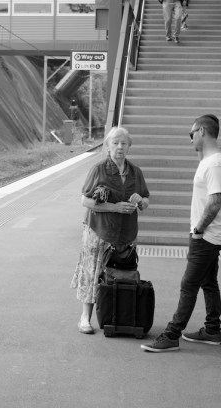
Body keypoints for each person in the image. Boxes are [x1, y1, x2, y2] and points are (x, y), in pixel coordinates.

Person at [141, 114, 221, 352]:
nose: (189, 139)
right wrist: (200, 151)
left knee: (188, 284)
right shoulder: (216, 157)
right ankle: (212, 330)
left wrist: (198, 230)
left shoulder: (214, 164)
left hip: (207, 236)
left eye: (191, 134)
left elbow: (215, 202)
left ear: (202, 131)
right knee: (209, 282)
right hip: (212, 234)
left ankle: (172, 335)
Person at [71, 127, 150, 334]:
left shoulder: (135, 172)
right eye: (115, 143)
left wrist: (141, 201)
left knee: (120, 275)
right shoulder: (98, 170)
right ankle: (85, 318)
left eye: (124, 143)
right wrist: (114, 207)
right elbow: (85, 200)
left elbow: (146, 200)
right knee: (92, 272)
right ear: (107, 146)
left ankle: (115, 316)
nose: (119, 147)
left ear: (129, 147)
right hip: (99, 231)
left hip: (125, 235)